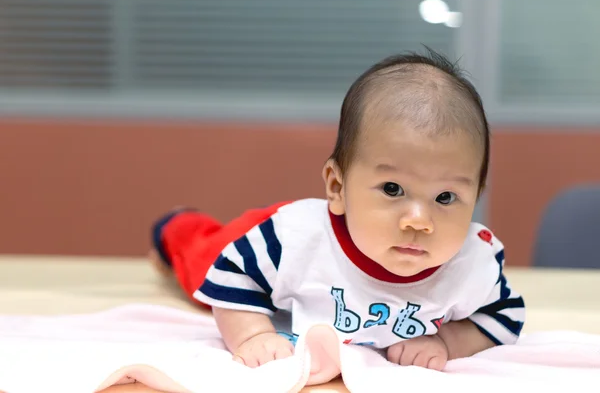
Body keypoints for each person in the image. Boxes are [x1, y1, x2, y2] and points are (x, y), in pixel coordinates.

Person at [148, 48, 525, 374]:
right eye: (393, 189)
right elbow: (231, 276)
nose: (418, 221)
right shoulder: (291, 241)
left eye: (445, 198)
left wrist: (447, 341)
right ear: (337, 187)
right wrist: (254, 335)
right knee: (202, 266)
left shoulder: (472, 264)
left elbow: (504, 316)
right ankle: (177, 227)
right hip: (279, 235)